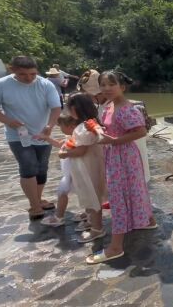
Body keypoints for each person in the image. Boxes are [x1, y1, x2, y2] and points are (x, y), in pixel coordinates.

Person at [86, 71, 156, 264]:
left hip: (124, 157)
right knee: (133, 191)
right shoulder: (109, 106)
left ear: (122, 87)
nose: (107, 88)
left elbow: (141, 131)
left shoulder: (127, 109)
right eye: (103, 85)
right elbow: (111, 130)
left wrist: (114, 140)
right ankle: (148, 220)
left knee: (118, 198)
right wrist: (100, 131)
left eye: (111, 84)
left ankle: (116, 247)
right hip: (116, 155)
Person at [0, 56, 61, 219]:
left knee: (42, 169)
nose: (29, 78)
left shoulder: (45, 84)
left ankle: (38, 199)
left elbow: (55, 107)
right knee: (28, 167)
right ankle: (34, 206)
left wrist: (49, 126)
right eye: (23, 74)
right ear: (12, 70)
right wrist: (8, 121)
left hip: (42, 134)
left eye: (32, 74)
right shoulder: (0, 85)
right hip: (17, 136)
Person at [64, 93, 107, 243]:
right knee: (92, 195)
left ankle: (97, 229)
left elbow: (81, 150)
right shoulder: (91, 123)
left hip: (87, 167)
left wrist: (64, 153)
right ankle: (90, 220)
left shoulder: (85, 128)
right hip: (92, 165)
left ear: (75, 109)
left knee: (92, 196)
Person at [37, 115, 79, 227]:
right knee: (65, 192)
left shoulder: (78, 138)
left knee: (63, 192)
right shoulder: (70, 136)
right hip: (70, 172)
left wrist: (64, 153)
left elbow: (77, 151)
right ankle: (87, 214)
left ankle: (59, 217)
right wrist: (46, 138)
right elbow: (59, 144)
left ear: (71, 126)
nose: (60, 129)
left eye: (61, 126)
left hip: (75, 171)